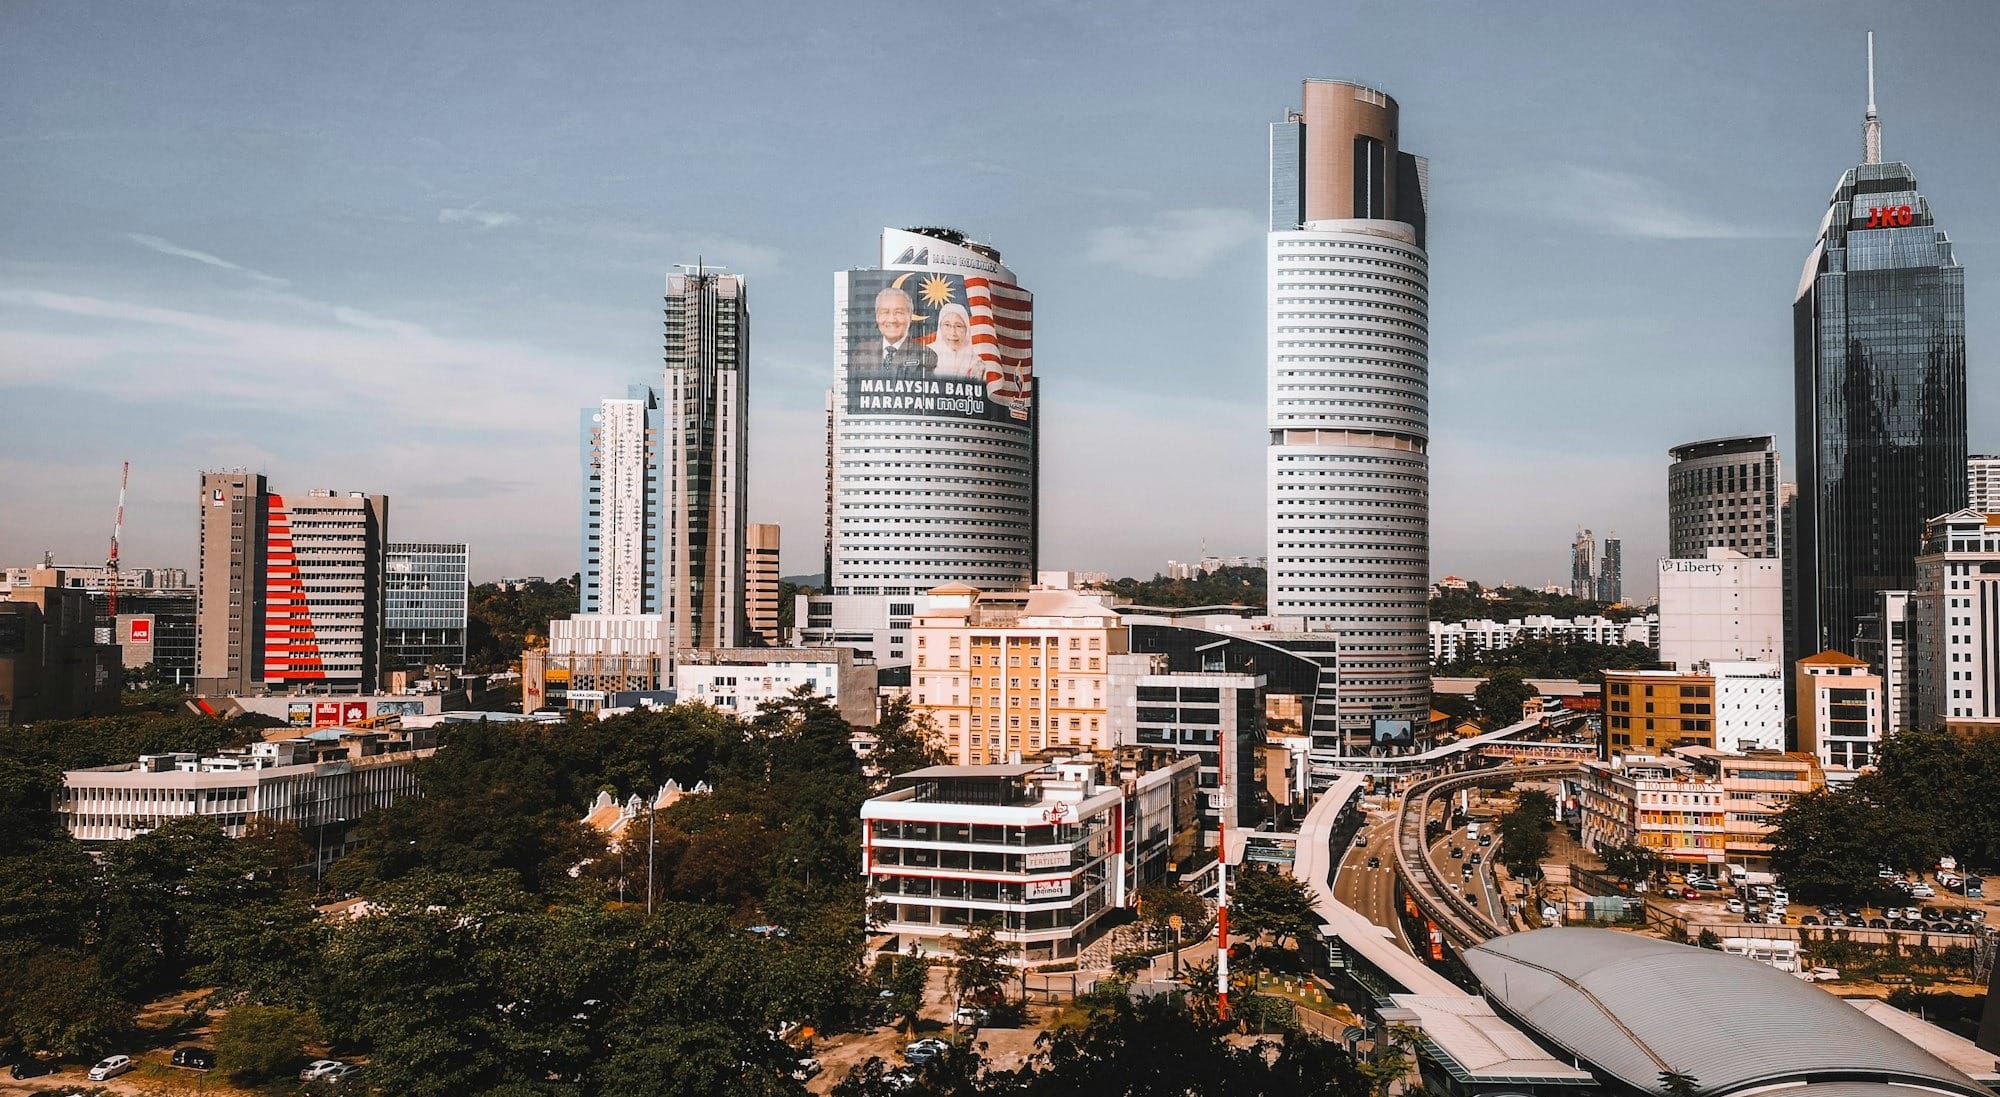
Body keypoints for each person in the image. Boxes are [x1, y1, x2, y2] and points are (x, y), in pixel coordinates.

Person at [851, 285, 936, 377]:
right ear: (877, 316)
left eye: (898, 312)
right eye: (885, 312)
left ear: (910, 316)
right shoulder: (862, 351)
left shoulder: (926, 354)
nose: (892, 320)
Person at [930, 302, 985, 383]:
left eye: (958, 326)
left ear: (966, 329)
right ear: (940, 327)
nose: (953, 332)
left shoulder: (976, 361)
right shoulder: (927, 353)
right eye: (947, 325)